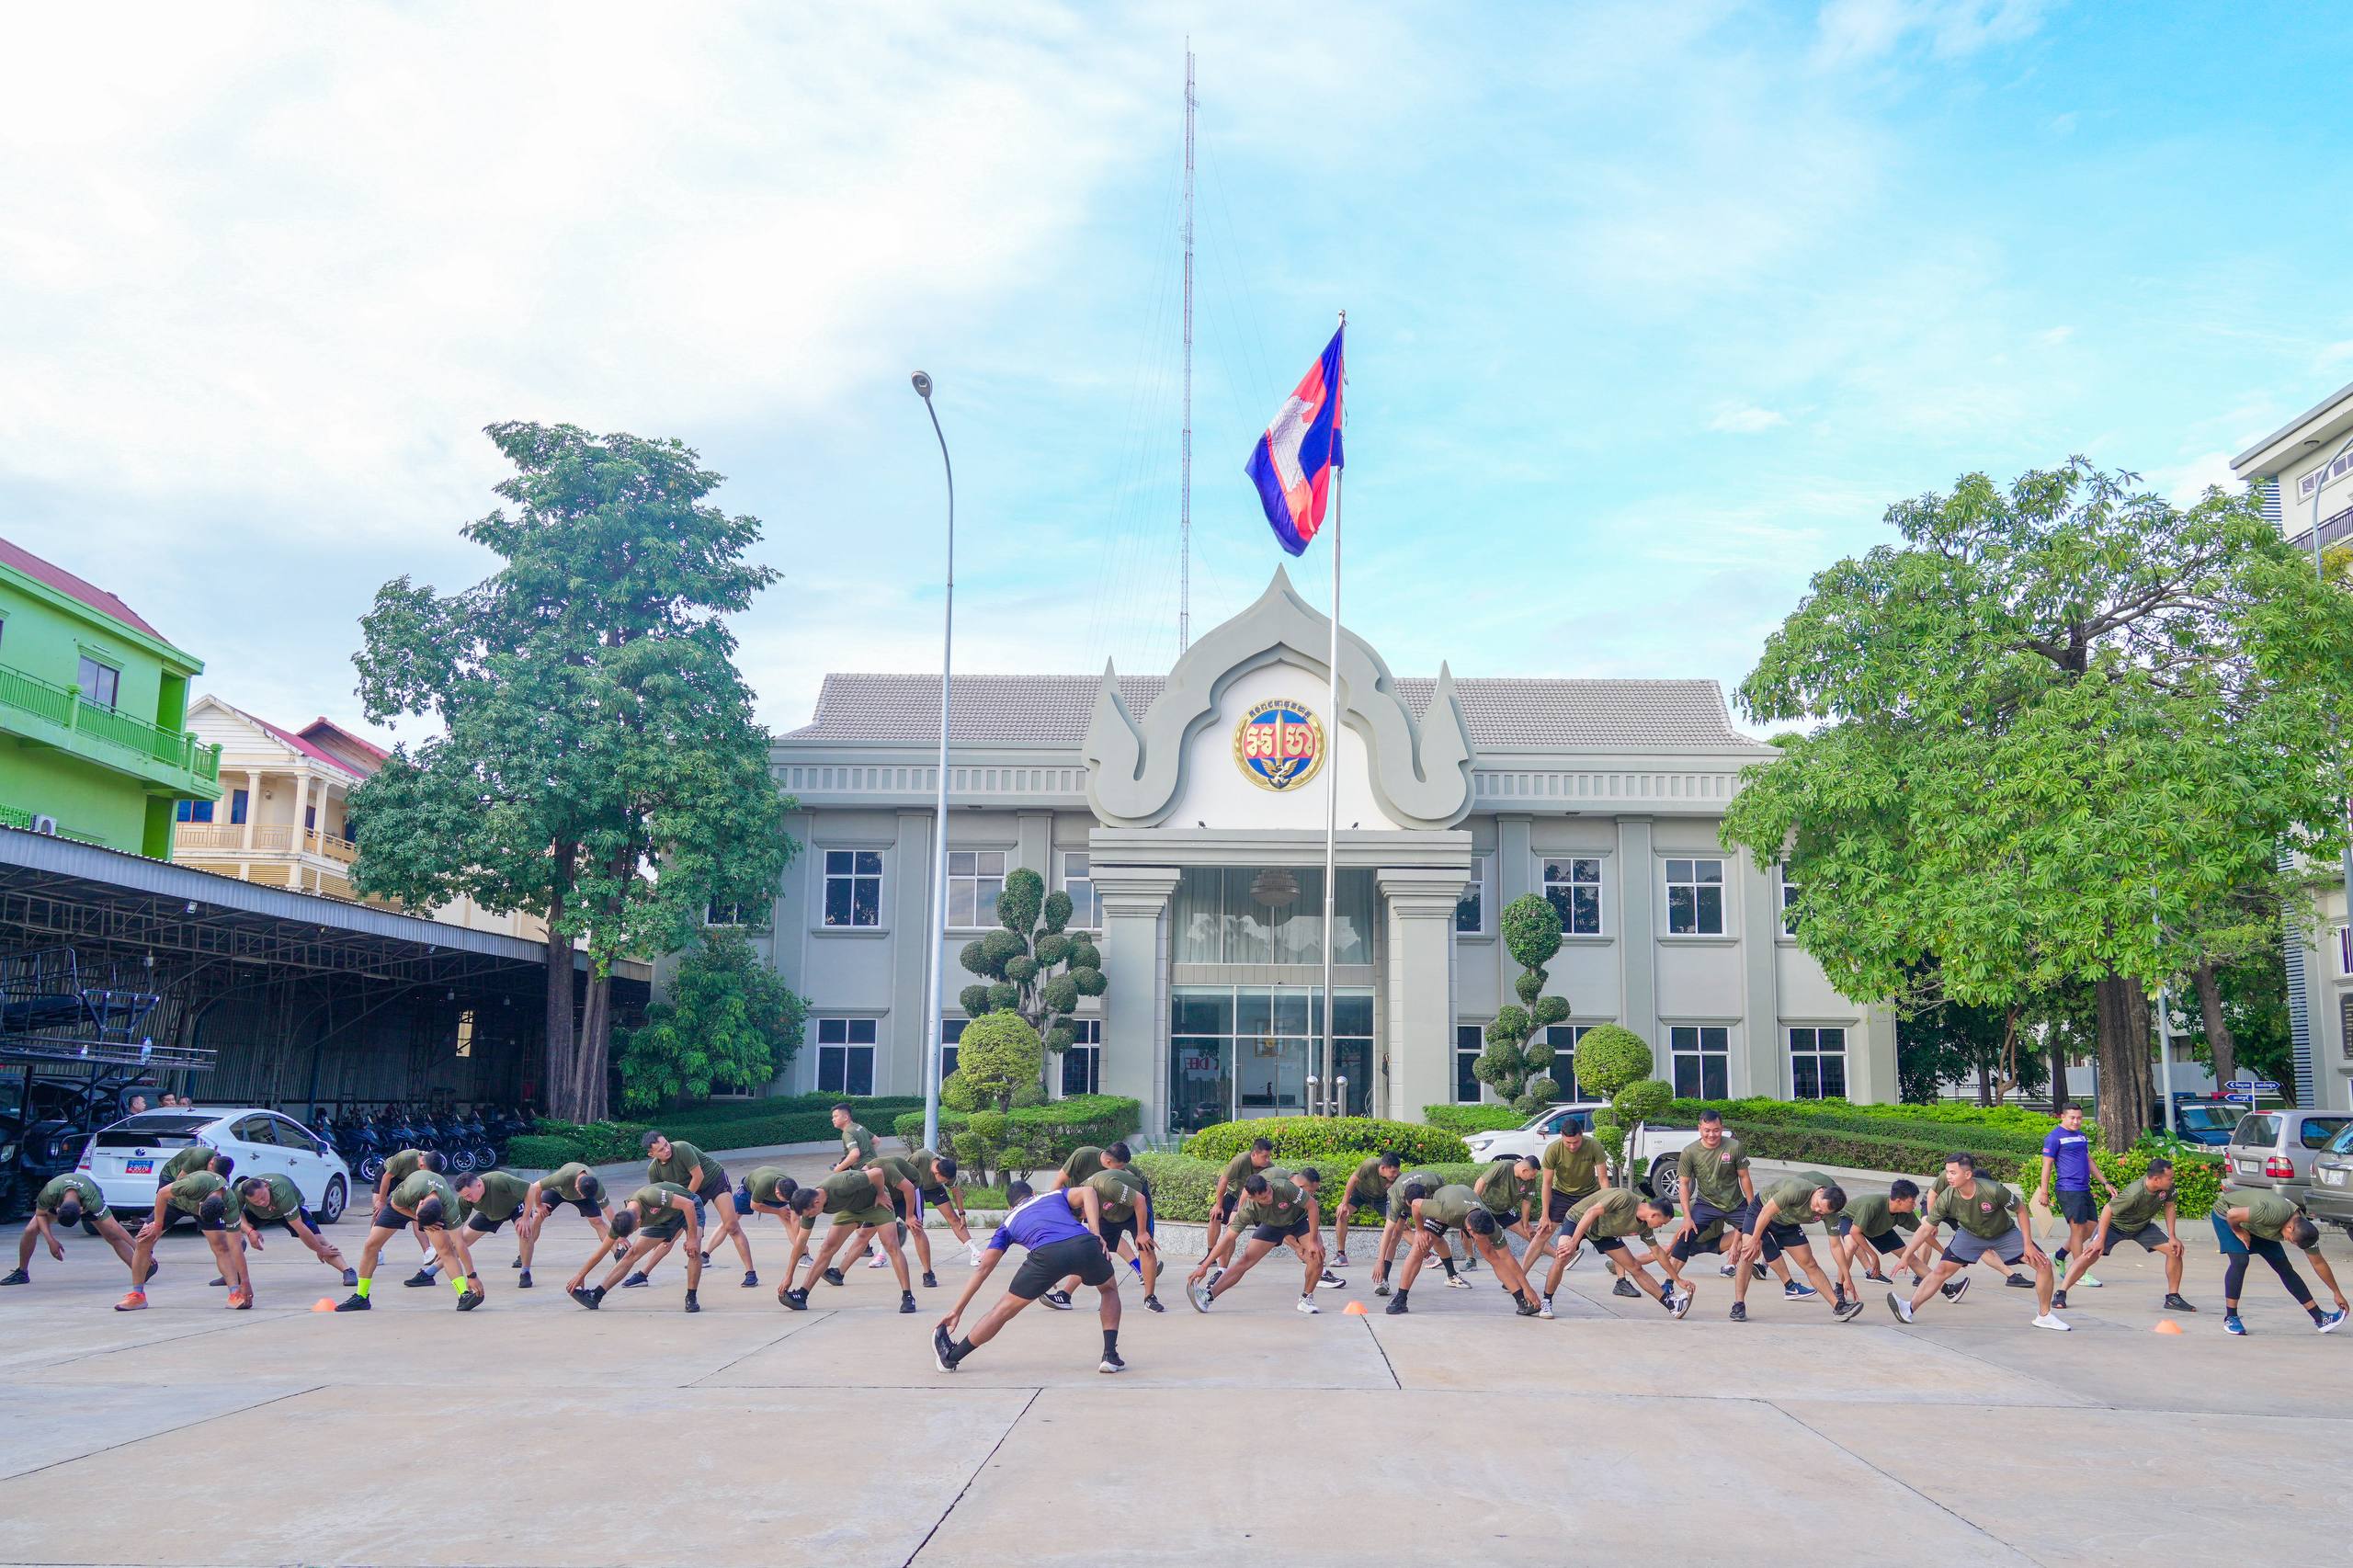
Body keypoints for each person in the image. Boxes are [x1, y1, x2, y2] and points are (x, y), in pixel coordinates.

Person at [934, 1177, 1122, 1374]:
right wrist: (1095, 1233)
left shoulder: (1008, 1223)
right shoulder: (1054, 1195)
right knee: (1109, 1290)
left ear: (1010, 1206)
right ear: (1033, 1194)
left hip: (1045, 1257)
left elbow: (983, 1269)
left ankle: (951, 1357)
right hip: (1085, 1244)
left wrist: (957, 1310)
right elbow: (1088, 1191)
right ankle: (1110, 1355)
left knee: (1002, 1311)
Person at [1887, 1153, 2064, 1330]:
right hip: (1970, 1234)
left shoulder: (1993, 1190)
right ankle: (1908, 1309)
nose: (1948, 1177)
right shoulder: (1947, 1197)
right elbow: (1925, 1229)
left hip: (2004, 1233)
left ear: (1967, 1174)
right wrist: (1906, 1257)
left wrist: (2027, 1244)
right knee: (1941, 1270)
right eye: (1947, 1172)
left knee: (2044, 1265)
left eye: (1953, 1173)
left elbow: (2021, 1210)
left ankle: (2044, 1316)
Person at [1666, 1111, 1804, 1308]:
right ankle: (1668, 1283)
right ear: (1699, 1129)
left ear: (1722, 1128)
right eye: (1707, 1130)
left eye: (1716, 1130)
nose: (1711, 1135)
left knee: (1762, 1236)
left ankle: (1790, 1286)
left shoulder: (1734, 1147)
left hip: (1736, 1204)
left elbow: (1744, 1177)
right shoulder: (1690, 1152)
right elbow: (1684, 1184)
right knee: (1685, 1237)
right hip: (1706, 1204)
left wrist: (1753, 1208)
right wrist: (1687, 1217)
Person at [336, 1164, 483, 1312]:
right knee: (371, 1245)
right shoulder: (409, 1191)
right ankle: (361, 1296)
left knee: (446, 1250)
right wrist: (416, 1216)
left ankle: (463, 1295)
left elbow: (460, 1243)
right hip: (399, 1207)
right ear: (420, 1203)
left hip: (427, 1212)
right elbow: (395, 1205)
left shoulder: (450, 1209)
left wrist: (472, 1275)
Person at [1382, 1181, 1541, 1317]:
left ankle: (1521, 1301)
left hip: (1467, 1208)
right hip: (1446, 1205)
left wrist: (1527, 1289)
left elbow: (1507, 1259)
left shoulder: (1491, 1225)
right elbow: (1416, 1203)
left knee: (1492, 1256)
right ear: (1469, 1230)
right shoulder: (1445, 1211)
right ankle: (1401, 1299)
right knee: (1419, 1248)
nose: (1482, 1241)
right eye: (1479, 1237)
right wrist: (1420, 1231)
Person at [1189, 1168, 1334, 1315]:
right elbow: (1228, 1239)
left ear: (1269, 1185)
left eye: (1269, 1192)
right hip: (1272, 1226)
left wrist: (1313, 1241)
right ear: (1252, 1198)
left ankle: (1306, 1299)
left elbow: (1312, 1205)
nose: (1269, 1198)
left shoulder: (1284, 1187)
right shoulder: (1247, 1209)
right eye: (1263, 1198)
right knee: (1245, 1260)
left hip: (1299, 1222)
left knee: (1317, 1255)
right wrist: (1205, 1266)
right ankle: (1207, 1297)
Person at [2053, 1159, 2192, 1312]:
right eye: (2169, 1178)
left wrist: (2172, 1236)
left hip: (2142, 1227)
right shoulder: (2134, 1193)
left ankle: (2173, 1298)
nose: (2172, 1181)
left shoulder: (2168, 1187)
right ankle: (2061, 1292)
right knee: (2090, 1254)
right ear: (2156, 1179)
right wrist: (2100, 1239)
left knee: (2174, 1250)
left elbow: (2170, 1206)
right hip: (2115, 1226)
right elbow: (2108, 1210)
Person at [1732, 1171, 1868, 1323]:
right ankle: (1739, 1304)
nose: (1817, 1211)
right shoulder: (1797, 1190)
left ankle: (1839, 1307)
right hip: (1761, 1211)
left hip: (1788, 1222)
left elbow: (1836, 1246)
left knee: (1810, 1263)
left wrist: (1847, 1277)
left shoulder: (1831, 1214)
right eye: (1818, 1205)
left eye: (1822, 1212)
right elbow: (1766, 1212)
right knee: (1748, 1254)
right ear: (1820, 1191)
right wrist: (1755, 1239)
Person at [2211, 1185, 2347, 1335]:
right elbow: (2232, 1214)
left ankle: (2319, 1317)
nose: (2290, 1242)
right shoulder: (2272, 1213)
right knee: (2240, 1261)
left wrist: (2336, 1292)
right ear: (2290, 1228)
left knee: (2284, 1268)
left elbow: (2318, 1263)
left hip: (2258, 1225)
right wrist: (2239, 1231)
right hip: (2227, 1217)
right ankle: (2231, 1317)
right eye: (2292, 1241)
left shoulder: (2304, 1231)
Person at [777, 1166, 916, 1312]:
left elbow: (878, 1172)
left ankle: (908, 1297)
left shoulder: (843, 1184)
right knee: (827, 1248)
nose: (809, 1217)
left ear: (817, 1203)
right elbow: (800, 1242)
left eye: (809, 1214)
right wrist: (788, 1276)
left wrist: (881, 1194)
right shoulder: (809, 1206)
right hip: (851, 1209)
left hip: (876, 1203)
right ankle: (802, 1294)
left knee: (892, 1246)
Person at [1042, 1143, 1160, 1311]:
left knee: (1145, 1247)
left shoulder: (1106, 1185)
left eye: (1085, 1215)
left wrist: (1142, 1232)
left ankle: (1150, 1298)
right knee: (1092, 1250)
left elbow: (1139, 1200)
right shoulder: (1084, 1196)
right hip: (1109, 1210)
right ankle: (1065, 1295)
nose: (1087, 1218)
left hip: (1135, 1207)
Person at [1545, 1187, 1693, 1319]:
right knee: (1562, 1256)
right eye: (1662, 1223)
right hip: (1578, 1219)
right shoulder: (1624, 1198)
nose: (1660, 1226)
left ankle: (1672, 1305)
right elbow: (1592, 1212)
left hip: (1603, 1233)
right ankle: (1546, 1301)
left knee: (1635, 1267)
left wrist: (1677, 1279)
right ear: (1654, 1215)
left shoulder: (1645, 1227)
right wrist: (1573, 1242)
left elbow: (1658, 1253)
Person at [570, 1183, 706, 1312]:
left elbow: (688, 1205)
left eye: (633, 1231)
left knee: (694, 1250)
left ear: (638, 1221)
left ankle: (691, 1298)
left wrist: (692, 1238)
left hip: (690, 1207)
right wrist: (581, 1274)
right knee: (632, 1253)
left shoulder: (651, 1196)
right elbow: (602, 1251)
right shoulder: (621, 1220)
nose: (634, 1232)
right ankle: (595, 1296)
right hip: (664, 1219)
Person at [119, 1170, 244, 1311]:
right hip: (175, 1203)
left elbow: (235, 1246)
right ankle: (137, 1296)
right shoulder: (194, 1184)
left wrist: (246, 1284)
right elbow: (162, 1194)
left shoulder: (230, 1204)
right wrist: (157, 1226)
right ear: (201, 1204)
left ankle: (235, 1294)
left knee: (222, 1246)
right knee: (144, 1240)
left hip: (207, 1207)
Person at [643, 1131, 756, 1276]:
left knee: (731, 1226)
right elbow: (659, 1196)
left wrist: (684, 1204)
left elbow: (698, 1176)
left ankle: (750, 1272)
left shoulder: (682, 1148)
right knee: (670, 1233)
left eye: (666, 1144)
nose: (667, 1149)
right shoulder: (654, 1170)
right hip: (691, 1191)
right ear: (651, 1154)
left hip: (714, 1181)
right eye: (661, 1150)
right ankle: (643, 1274)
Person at [6, 1172, 137, 1287]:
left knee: (112, 1236)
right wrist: (50, 1241)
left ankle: (139, 1270)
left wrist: (137, 1247)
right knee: (30, 1230)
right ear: (57, 1209)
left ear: (82, 1210)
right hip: (61, 1197)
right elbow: (40, 1215)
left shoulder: (92, 1200)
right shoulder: (49, 1192)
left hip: (87, 1194)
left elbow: (114, 1225)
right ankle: (22, 1272)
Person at [2035, 1105, 2112, 1290]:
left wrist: (2105, 1182)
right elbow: (2047, 1166)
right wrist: (2044, 1192)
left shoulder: (2081, 1136)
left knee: (2091, 1227)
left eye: (2079, 1118)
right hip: (2068, 1189)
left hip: (2084, 1189)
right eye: (2072, 1118)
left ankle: (2059, 1256)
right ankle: (2079, 1273)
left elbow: (2088, 1160)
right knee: (2077, 1230)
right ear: (2062, 1117)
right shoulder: (2054, 1137)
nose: (2076, 1121)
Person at [232, 1174, 356, 1288]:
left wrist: (319, 1249)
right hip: (258, 1214)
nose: (262, 1202)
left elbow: (299, 1227)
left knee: (318, 1240)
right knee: (233, 1233)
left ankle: (347, 1271)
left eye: (263, 1197)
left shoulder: (282, 1191)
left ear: (266, 1186)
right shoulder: (240, 1191)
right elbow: (235, 1215)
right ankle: (233, 1272)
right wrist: (250, 1232)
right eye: (256, 1202)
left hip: (287, 1211)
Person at [1370, 1172, 1472, 1297]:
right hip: (1403, 1200)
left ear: (1425, 1195)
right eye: (1410, 1205)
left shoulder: (1435, 1183)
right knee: (1395, 1235)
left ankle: (1452, 1276)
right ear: (1404, 1197)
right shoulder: (1397, 1199)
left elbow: (1446, 1200)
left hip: (1427, 1203)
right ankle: (1383, 1280)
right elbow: (1388, 1231)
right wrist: (1379, 1261)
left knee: (1435, 1236)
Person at [517, 1163, 620, 1282]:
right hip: (557, 1192)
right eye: (580, 1193)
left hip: (585, 1192)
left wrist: (619, 1234)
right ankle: (524, 1255)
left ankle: (618, 1254)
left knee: (597, 1221)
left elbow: (608, 1211)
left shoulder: (595, 1186)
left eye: (584, 1195)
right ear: (576, 1186)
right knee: (537, 1217)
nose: (581, 1196)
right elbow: (535, 1187)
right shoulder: (564, 1176)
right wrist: (539, 1205)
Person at [452, 1170, 553, 1287]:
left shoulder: (497, 1180)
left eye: (469, 1195)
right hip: (491, 1213)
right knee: (459, 1242)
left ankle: (525, 1272)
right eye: (464, 1196)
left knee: (525, 1231)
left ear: (479, 1185)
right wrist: (449, 1244)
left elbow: (531, 1188)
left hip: (515, 1206)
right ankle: (434, 1270)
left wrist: (525, 1218)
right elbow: (458, 1223)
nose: (468, 1199)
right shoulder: (465, 1199)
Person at [1526, 1124, 1607, 1260]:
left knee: (1610, 1230)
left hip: (1589, 1194)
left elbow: (1603, 1180)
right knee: (1542, 1233)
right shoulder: (1553, 1149)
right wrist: (1544, 1215)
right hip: (1561, 1194)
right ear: (1562, 1136)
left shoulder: (1594, 1146)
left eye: (1576, 1142)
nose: (1572, 1146)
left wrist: (1606, 1205)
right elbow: (1547, 1183)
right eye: (1568, 1142)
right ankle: (1521, 1272)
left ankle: (1619, 1271)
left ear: (1582, 1134)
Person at [369, 1148, 449, 1288]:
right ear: (422, 1164)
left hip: (410, 1183)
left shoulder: (429, 1168)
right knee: (379, 1211)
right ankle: (377, 1250)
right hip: (389, 1177)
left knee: (418, 1213)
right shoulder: (405, 1158)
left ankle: (427, 1251)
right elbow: (387, 1177)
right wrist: (381, 1201)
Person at [1203, 1137, 1275, 1260]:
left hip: (1254, 1200)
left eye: (1269, 1156)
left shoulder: (1270, 1167)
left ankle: (1303, 1251)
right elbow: (1223, 1180)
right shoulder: (1241, 1160)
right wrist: (1218, 1205)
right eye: (1265, 1157)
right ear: (1254, 1154)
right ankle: (1210, 1255)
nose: (1268, 1160)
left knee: (1278, 1225)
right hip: (1234, 1196)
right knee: (1215, 1216)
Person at [1331, 1151, 1403, 1267]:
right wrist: (1344, 1203)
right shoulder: (1370, 1164)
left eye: (1397, 1171)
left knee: (1400, 1224)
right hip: (1360, 1194)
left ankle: (1426, 1255)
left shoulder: (1398, 1177)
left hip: (1381, 1199)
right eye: (1393, 1172)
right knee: (1342, 1214)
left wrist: (1402, 1217)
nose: (1395, 1175)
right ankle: (1341, 1255)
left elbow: (1400, 1195)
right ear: (1383, 1168)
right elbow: (1353, 1179)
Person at [1473, 1154, 1543, 1258]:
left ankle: (1558, 1255)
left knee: (1530, 1234)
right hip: (1485, 1206)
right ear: (1524, 1171)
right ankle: (1471, 1258)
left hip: (1505, 1210)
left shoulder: (1530, 1181)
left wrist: (1526, 1225)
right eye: (1533, 1175)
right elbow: (1481, 1182)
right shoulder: (1503, 1166)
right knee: (1476, 1231)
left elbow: (1526, 1204)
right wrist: (1474, 1206)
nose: (1533, 1177)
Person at [830, 1103, 877, 1170]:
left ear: (845, 1117)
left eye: (836, 1116)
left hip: (862, 1170)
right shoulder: (859, 1127)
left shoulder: (847, 1132)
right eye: (833, 1117)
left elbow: (854, 1154)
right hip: (875, 1164)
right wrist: (867, 1155)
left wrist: (838, 1169)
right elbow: (876, 1141)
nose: (833, 1119)